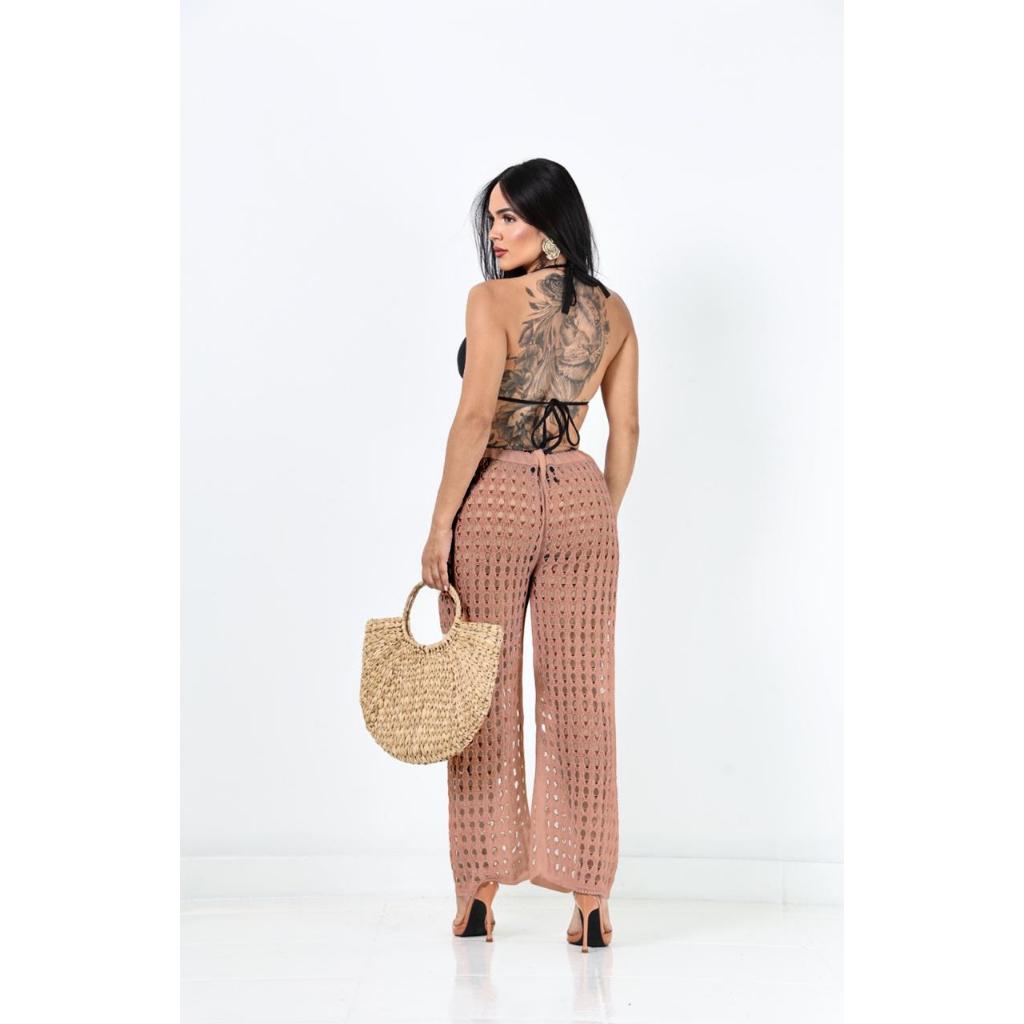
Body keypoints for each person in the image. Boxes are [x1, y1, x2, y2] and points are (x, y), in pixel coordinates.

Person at [421, 158, 639, 952]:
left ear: (550, 221)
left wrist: (440, 525)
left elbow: (475, 417)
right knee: (583, 695)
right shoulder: (615, 311)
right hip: (581, 496)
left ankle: (478, 892)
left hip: (498, 500)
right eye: (492, 219)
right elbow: (627, 429)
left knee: (481, 690)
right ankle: (591, 900)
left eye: (509, 217)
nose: (495, 232)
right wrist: (597, 513)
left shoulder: (490, 301)